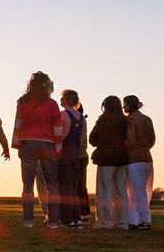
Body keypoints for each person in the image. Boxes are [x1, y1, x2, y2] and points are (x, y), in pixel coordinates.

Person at [13, 72, 64, 229]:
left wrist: (16, 144)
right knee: (52, 184)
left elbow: (18, 124)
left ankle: (28, 220)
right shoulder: (52, 104)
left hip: (28, 144)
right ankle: (54, 221)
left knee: (27, 184)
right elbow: (57, 127)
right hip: (48, 145)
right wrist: (58, 146)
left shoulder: (23, 103)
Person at [89, 95, 130, 229]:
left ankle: (105, 220)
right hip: (122, 158)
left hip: (106, 159)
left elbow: (92, 139)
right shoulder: (125, 121)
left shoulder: (103, 121)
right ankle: (123, 221)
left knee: (105, 190)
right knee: (121, 190)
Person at [123, 95, 156, 229]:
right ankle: (142, 219)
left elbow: (130, 140)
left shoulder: (130, 120)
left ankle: (139, 220)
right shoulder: (147, 119)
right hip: (147, 157)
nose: (123, 107)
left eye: (124, 104)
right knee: (144, 189)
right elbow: (152, 139)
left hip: (134, 158)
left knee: (135, 191)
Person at [56, 90, 86, 227]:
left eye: (62, 98)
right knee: (74, 187)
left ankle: (67, 218)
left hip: (64, 152)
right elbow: (81, 138)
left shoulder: (63, 115)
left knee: (64, 185)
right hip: (76, 153)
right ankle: (77, 217)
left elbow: (60, 135)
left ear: (66, 100)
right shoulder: (81, 117)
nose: (60, 100)